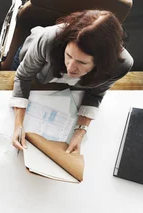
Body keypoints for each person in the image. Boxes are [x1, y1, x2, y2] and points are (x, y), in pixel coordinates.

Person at [10, 10, 133, 154]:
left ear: (101, 63)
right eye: (68, 55)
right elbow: (23, 76)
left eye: (82, 62)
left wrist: (80, 132)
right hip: (32, 59)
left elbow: (96, 94)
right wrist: (18, 124)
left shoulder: (121, 65)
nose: (70, 67)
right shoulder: (48, 39)